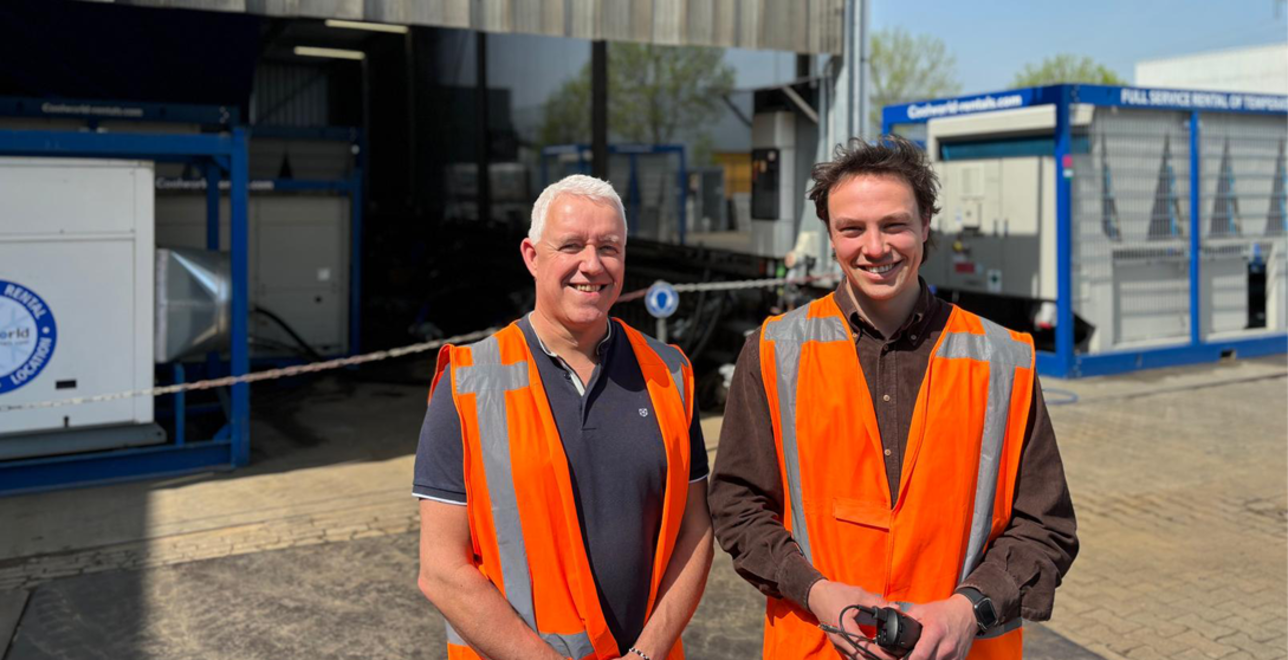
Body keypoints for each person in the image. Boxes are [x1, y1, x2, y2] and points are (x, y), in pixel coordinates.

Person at [708, 137, 1078, 660]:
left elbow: (1046, 525)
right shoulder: (773, 351)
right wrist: (816, 592)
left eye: (894, 225)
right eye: (852, 229)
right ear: (831, 236)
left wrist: (967, 609)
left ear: (926, 225)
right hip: (815, 646)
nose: (875, 247)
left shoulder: (1004, 359)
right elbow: (737, 504)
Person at [414, 174, 713, 660]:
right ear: (532, 256)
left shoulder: (670, 374)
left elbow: (696, 530)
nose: (591, 265)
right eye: (571, 245)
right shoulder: (468, 382)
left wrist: (646, 653)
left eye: (609, 248)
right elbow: (442, 570)